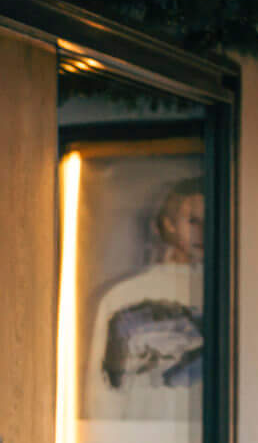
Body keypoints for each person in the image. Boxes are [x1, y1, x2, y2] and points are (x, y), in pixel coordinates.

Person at [83, 175, 206, 421]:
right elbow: (103, 396)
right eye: (193, 221)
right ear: (169, 224)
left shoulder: (234, 300)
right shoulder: (122, 297)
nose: (202, 231)